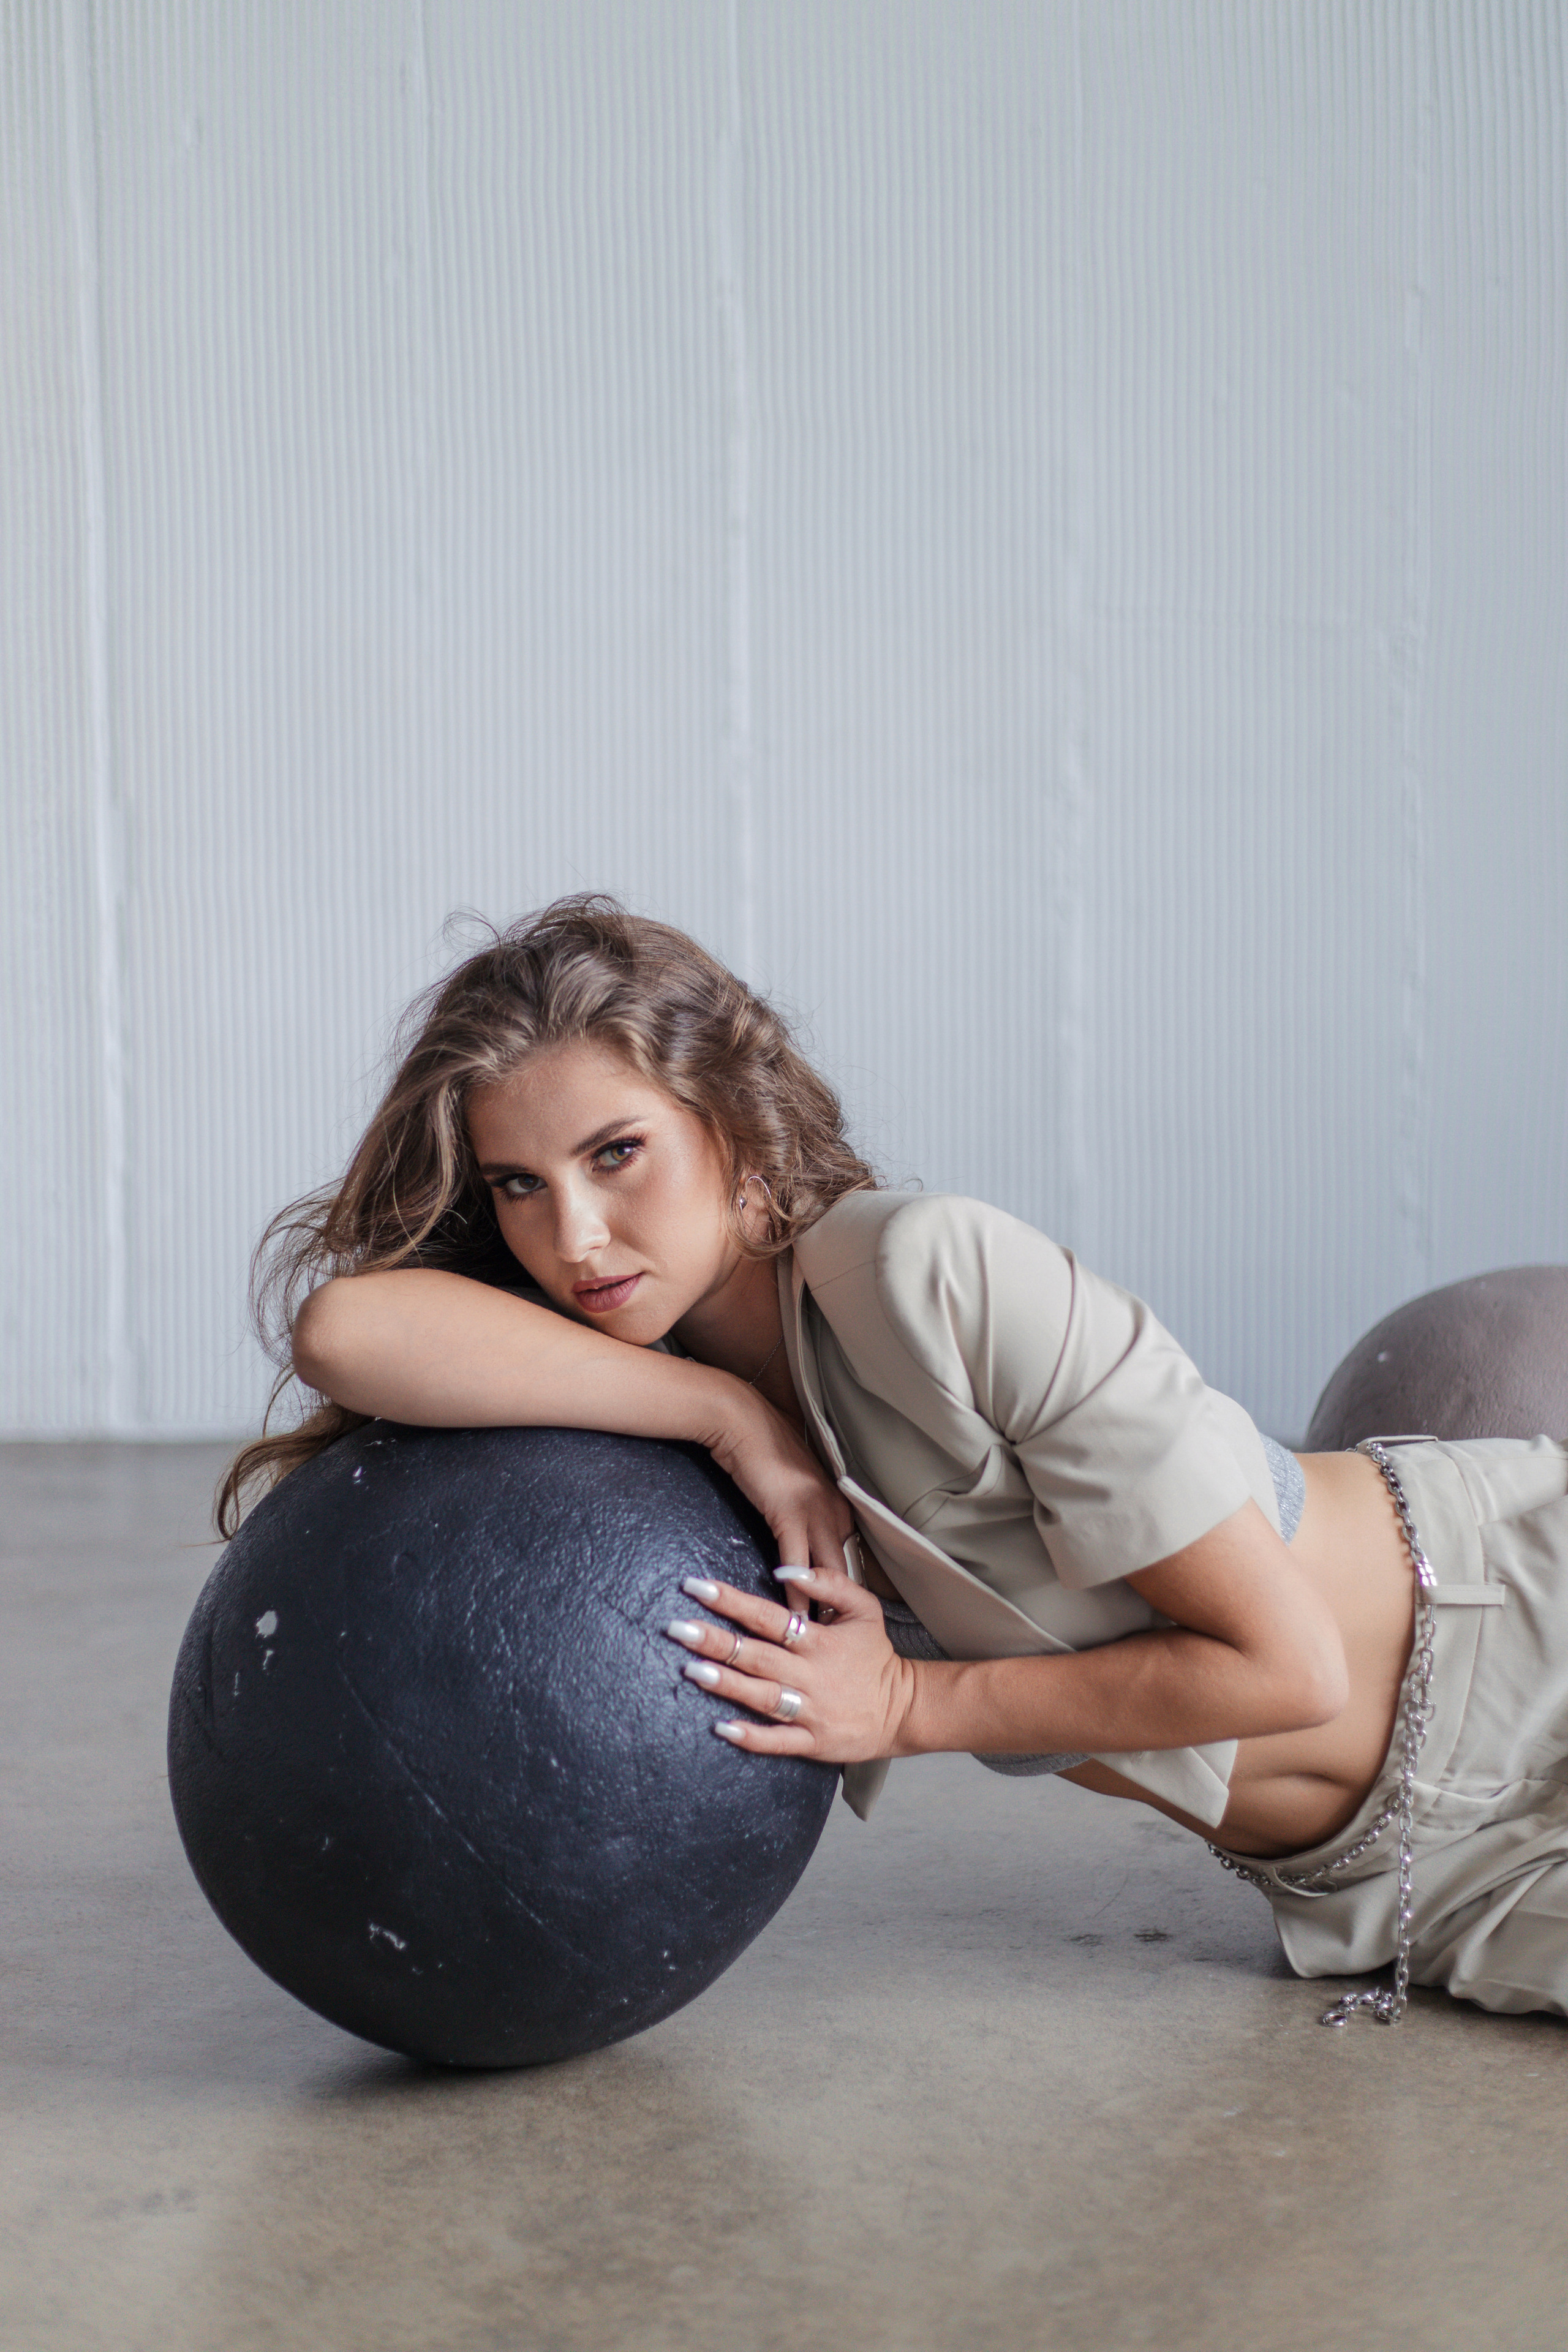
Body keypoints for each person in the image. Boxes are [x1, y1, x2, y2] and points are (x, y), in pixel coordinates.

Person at [221, 895, 1568, 2024]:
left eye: (616, 1154)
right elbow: (347, 1326)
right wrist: (729, 1417)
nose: (573, 1236)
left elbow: (1287, 1670)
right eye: (518, 1184)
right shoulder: (637, 1399)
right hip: (1401, 1881)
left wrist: (908, 1707)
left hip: (1516, 1625)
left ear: (730, 1126)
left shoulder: (927, 1273)